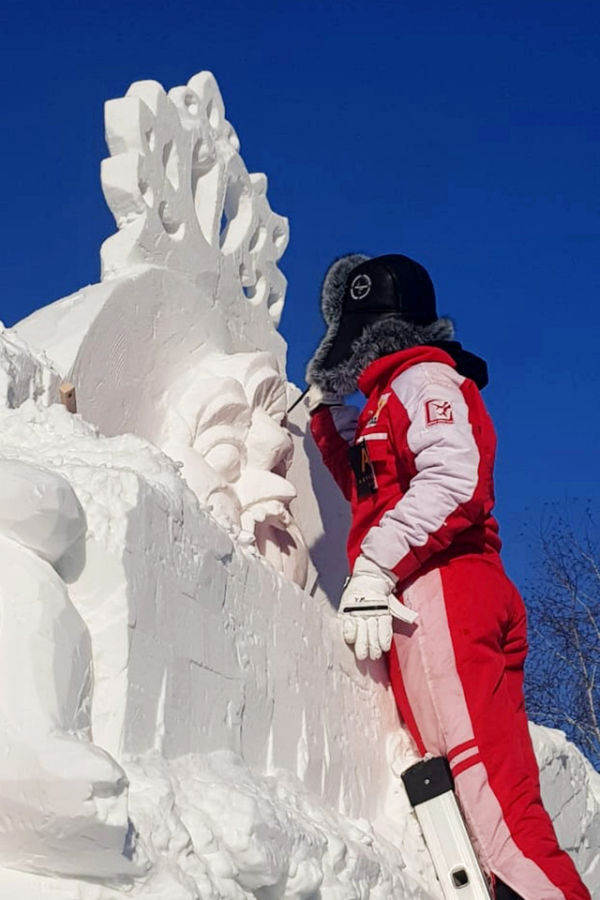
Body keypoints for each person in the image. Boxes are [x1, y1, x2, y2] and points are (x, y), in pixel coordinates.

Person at [306, 253, 590, 900]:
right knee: (490, 796)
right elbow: (372, 486)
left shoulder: (424, 378)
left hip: (446, 587)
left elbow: (455, 480)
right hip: (442, 591)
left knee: (492, 809)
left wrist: (376, 565)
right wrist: (325, 414)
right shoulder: (388, 398)